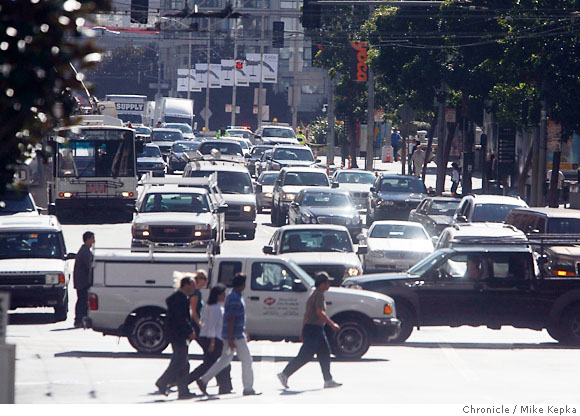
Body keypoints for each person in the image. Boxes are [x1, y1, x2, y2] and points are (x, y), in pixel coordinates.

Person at [195, 273, 261, 396]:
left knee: (224, 360)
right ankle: (248, 388)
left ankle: (204, 380)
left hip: (231, 334)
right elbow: (231, 319)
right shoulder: (235, 298)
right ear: (242, 284)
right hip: (235, 336)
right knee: (247, 360)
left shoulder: (232, 296)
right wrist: (231, 338)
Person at [277, 272, 342, 390]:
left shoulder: (315, 294)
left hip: (314, 328)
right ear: (322, 284)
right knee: (305, 355)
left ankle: (328, 379)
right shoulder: (319, 295)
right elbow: (319, 312)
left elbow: (306, 314)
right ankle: (285, 374)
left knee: (325, 353)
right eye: (327, 283)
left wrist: (303, 330)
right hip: (313, 329)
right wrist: (332, 325)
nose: (329, 285)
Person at [186, 284, 233, 394]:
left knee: (212, 363)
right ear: (217, 296)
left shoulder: (214, 307)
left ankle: (225, 387)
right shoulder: (215, 308)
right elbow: (211, 326)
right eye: (222, 294)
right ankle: (224, 387)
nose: (224, 296)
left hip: (213, 337)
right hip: (212, 338)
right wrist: (212, 343)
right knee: (219, 363)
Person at [155, 276, 197, 399]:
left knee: (184, 363)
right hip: (178, 334)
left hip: (177, 333)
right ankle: (163, 381)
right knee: (180, 360)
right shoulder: (179, 298)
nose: (194, 287)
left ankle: (183, 391)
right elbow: (181, 318)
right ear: (186, 285)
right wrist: (189, 331)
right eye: (193, 284)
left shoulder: (181, 298)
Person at [73, 231, 94, 328]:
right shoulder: (85, 252)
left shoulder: (85, 250)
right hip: (82, 282)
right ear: (88, 239)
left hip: (81, 281)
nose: (94, 241)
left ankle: (81, 320)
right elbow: (89, 267)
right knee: (82, 301)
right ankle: (78, 320)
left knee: (83, 301)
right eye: (92, 238)